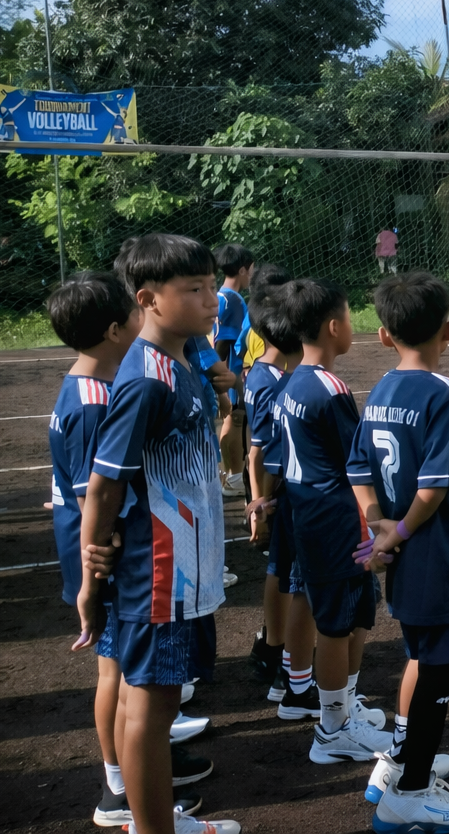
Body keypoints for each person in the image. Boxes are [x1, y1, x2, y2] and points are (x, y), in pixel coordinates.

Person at [75, 234, 240, 834]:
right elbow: (103, 485)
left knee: (162, 701)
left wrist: (223, 389)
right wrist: (90, 579)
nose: (211, 299)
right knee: (151, 703)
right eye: (194, 289)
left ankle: (154, 820)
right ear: (148, 299)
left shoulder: (184, 355)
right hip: (160, 573)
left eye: (211, 285)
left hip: (185, 570)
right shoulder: (145, 379)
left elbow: (209, 373)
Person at [46, 272, 210, 826]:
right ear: (119, 328)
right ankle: (120, 789)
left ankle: (131, 783)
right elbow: (96, 490)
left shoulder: (89, 385)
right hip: (114, 561)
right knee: (118, 677)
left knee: (123, 678)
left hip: (104, 554)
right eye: (137, 313)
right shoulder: (98, 399)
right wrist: (97, 560)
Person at [349, 271, 449, 831]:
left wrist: (378, 526)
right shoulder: (444, 393)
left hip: (403, 553)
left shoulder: (380, 389)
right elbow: (434, 488)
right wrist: (398, 532)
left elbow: (358, 468)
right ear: (448, 330)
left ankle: (399, 764)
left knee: (421, 655)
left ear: (384, 335)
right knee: (437, 669)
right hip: (439, 552)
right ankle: (410, 794)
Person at [274, 278, 392, 763]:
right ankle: (332, 728)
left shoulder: (294, 382)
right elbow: (357, 461)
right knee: (338, 624)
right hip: (336, 522)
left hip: (313, 517)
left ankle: (344, 710)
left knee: (353, 614)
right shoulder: (329, 388)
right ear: (333, 326)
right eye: (348, 316)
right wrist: (380, 519)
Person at [241, 266, 316, 717]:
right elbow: (262, 453)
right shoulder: (277, 382)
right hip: (287, 492)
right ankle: (282, 659)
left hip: (277, 491)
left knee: (281, 571)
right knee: (292, 578)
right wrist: (262, 503)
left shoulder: (259, 374)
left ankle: (276, 651)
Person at [212, 244, 255, 499]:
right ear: (242, 270)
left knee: (230, 421)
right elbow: (224, 342)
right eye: (251, 269)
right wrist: (224, 378)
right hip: (231, 372)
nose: (252, 275)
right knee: (235, 421)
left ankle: (231, 476)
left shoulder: (218, 295)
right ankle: (235, 477)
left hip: (224, 371)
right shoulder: (235, 300)